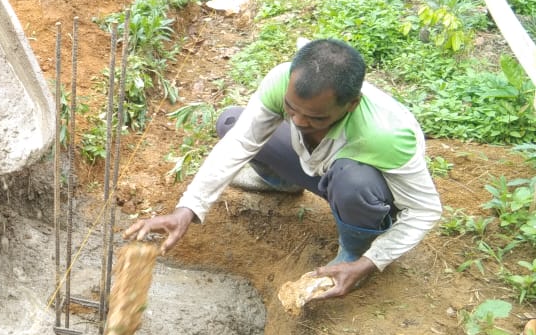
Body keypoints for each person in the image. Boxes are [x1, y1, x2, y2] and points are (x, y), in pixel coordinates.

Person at [125, 38, 442, 299]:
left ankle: (353, 252)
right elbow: (241, 141)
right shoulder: (282, 80)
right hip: (317, 168)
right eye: (291, 109)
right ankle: (280, 182)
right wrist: (188, 208)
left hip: (360, 189)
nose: (300, 121)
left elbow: (425, 210)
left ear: (351, 104)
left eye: (316, 118)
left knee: (353, 180)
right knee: (232, 122)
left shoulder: (384, 136)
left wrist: (370, 262)